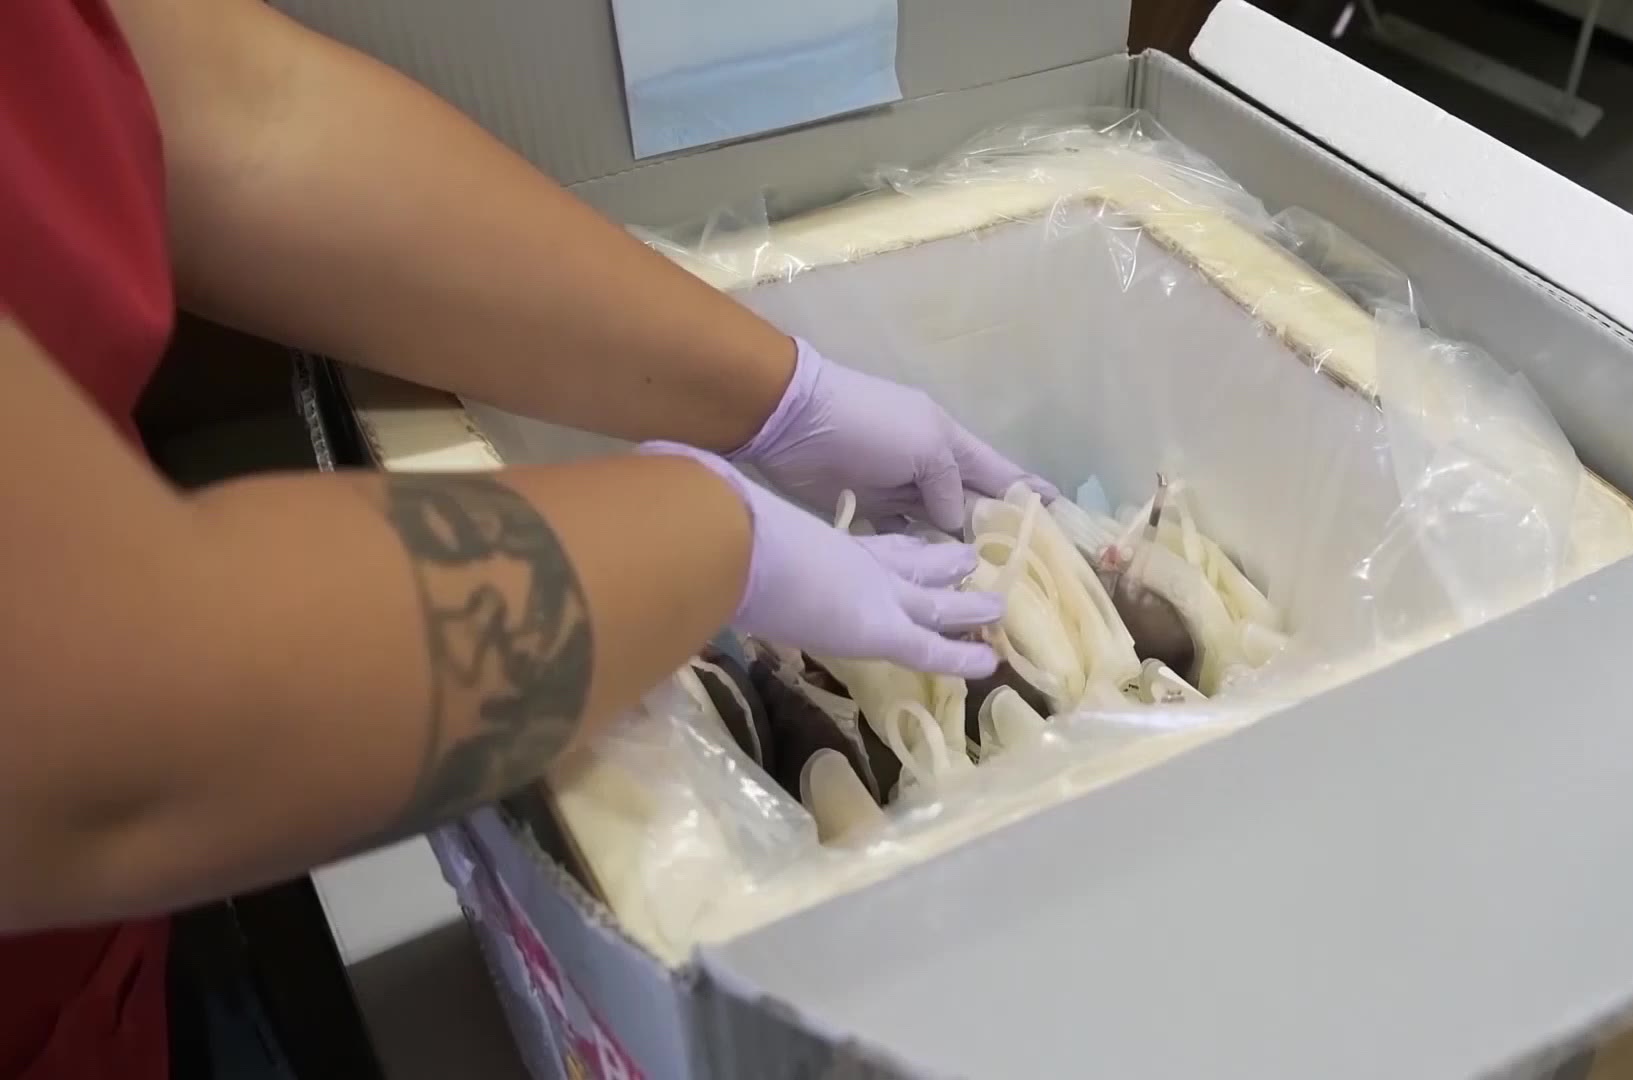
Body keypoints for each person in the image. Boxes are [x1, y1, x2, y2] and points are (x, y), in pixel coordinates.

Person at [0, 0, 1054, 1074]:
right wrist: (713, 538)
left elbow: (235, 112)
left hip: (127, 946)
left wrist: (784, 396)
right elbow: (108, 718)